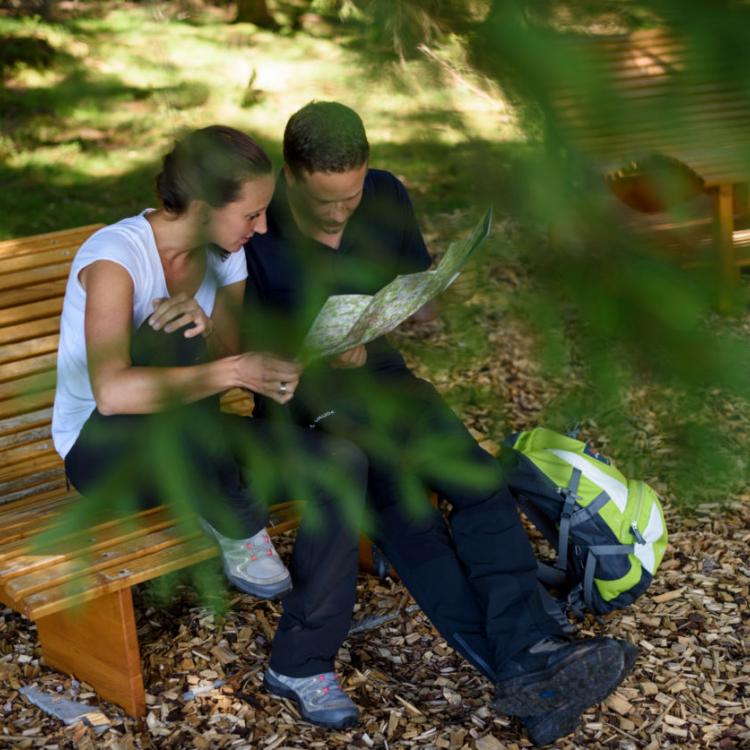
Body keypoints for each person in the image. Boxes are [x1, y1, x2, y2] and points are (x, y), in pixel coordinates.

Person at [243, 101, 637, 746]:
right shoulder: (257, 225)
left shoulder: (388, 193)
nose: (341, 213)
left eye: (351, 197)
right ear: (290, 175)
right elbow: (241, 341)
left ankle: (531, 648)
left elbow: (410, 289)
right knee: (409, 518)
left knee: (479, 480)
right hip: (307, 401)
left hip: (384, 375)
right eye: (325, 203)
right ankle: (531, 671)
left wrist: (409, 315)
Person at [51, 125, 367, 729]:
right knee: (170, 333)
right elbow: (112, 393)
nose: (263, 227)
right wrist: (219, 355)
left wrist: (256, 359)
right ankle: (239, 522)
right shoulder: (116, 257)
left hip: (196, 445)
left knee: (342, 462)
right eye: (252, 213)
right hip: (108, 453)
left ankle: (302, 661)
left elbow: (229, 357)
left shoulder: (228, 254)